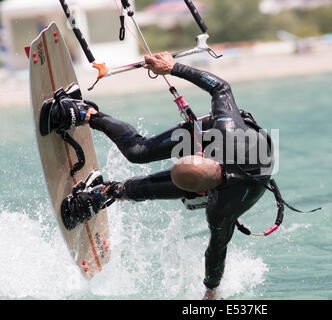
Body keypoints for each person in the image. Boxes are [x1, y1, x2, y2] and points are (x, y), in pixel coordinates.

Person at [40, 52, 274, 299]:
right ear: (202, 155)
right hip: (225, 142)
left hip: (245, 175)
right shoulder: (225, 130)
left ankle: (104, 192)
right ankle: (85, 112)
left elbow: (217, 251)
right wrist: (173, 67)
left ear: (202, 194)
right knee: (137, 152)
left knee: (139, 190)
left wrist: (211, 290)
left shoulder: (221, 209)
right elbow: (220, 88)